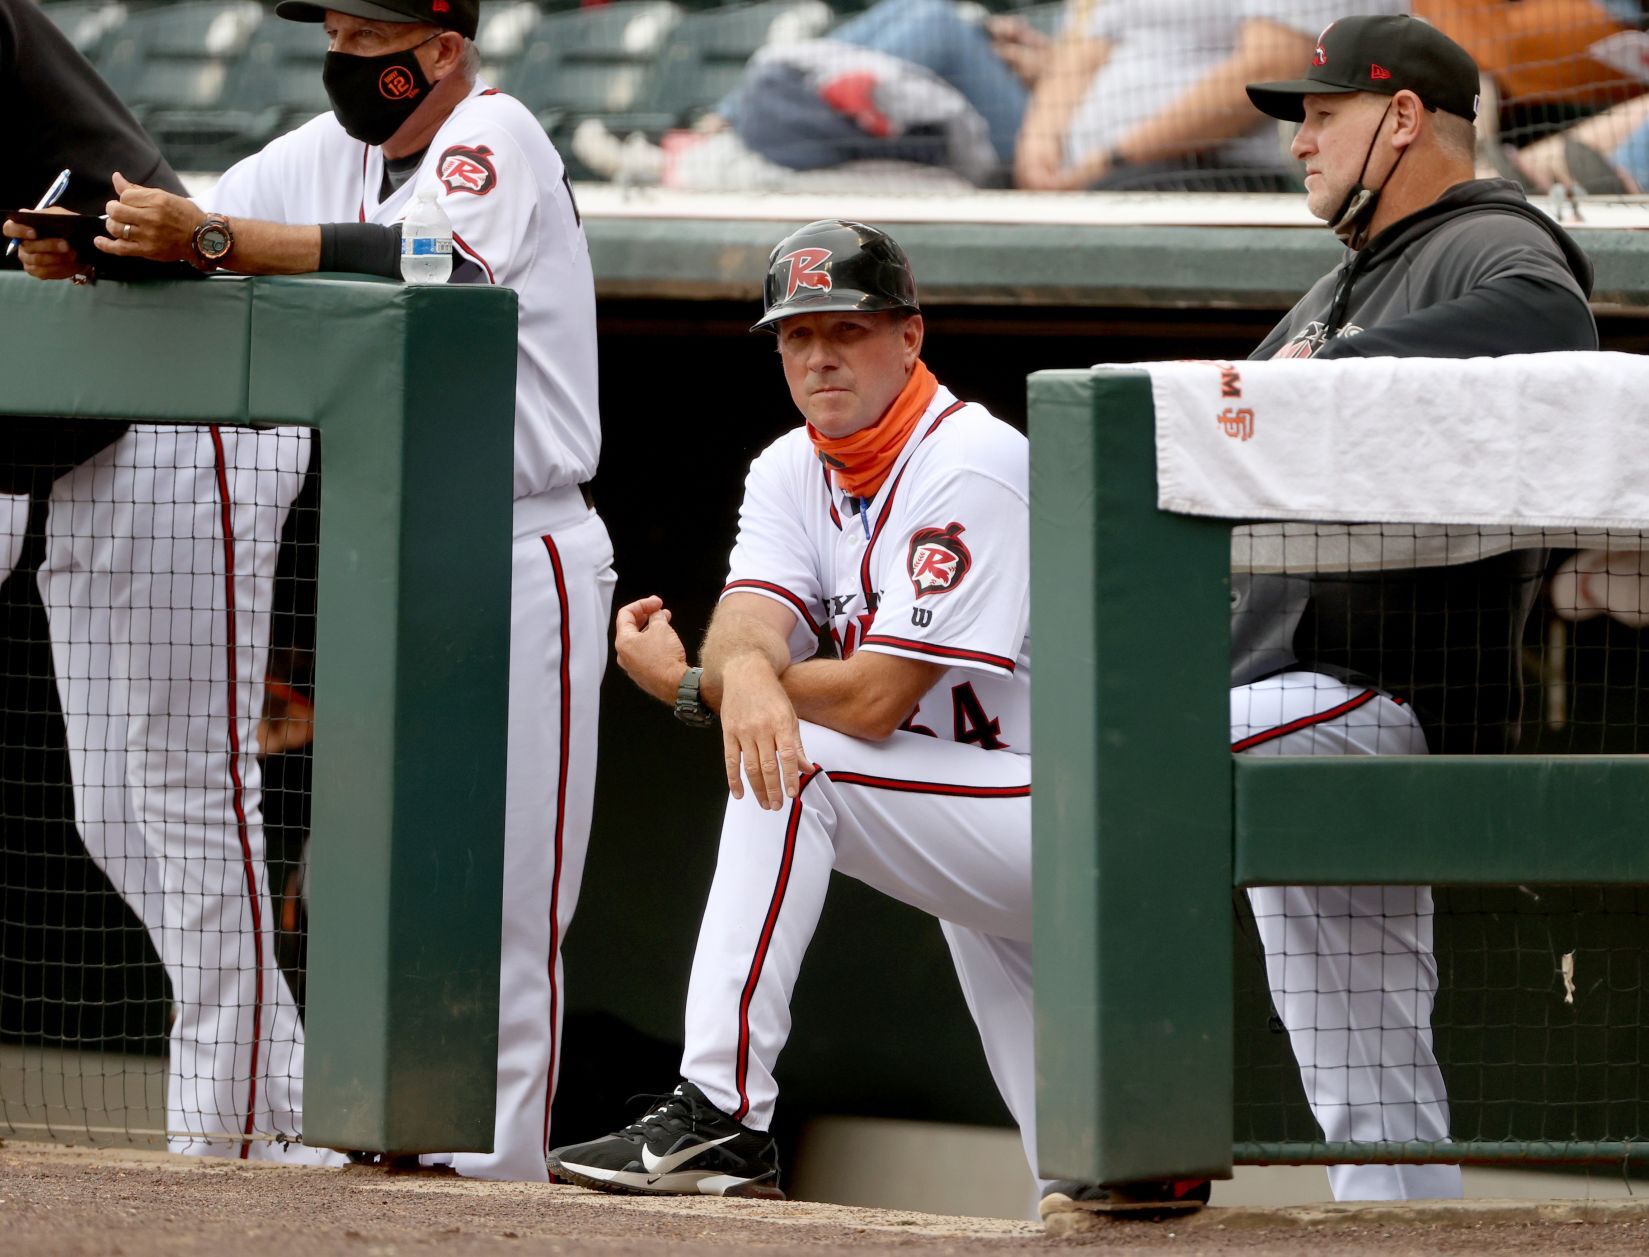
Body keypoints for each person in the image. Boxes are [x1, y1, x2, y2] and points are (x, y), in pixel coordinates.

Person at [7, 0, 615, 1182]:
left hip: (518, 538)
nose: (343, 58)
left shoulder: (496, 130)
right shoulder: (328, 153)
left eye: (368, 38)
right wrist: (97, 244)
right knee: (367, 886)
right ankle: (334, 1130)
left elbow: (439, 263)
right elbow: (180, 225)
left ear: (439, 51)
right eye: (332, 33)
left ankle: (496, 1199)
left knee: (501, 905)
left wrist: (218, 242)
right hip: (398, 554)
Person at [545, 220, 1059, 1206]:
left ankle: (720, 1114)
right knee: (1097, 1176)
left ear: (909, 336)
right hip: (962, 812)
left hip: (1072, 810)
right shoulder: (791, 465)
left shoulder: (972, 461)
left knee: (801, 762)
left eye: (847, 329)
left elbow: (873, 695)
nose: (819, 354)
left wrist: (694, 685)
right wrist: (732, 674)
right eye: (796, 335)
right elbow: (750, 623)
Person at [1235, 12, 1597, 1201]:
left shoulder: (1487, 238)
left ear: (1400, 119)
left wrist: (1325, 383)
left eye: (1321, 114)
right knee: (1367, 1074)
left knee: (1093, 779)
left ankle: (1118, 1153)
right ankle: (1398, 1222)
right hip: (1289, 692)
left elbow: (1551, 323)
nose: (1298, 141)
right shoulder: (1343, 282)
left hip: (1355, 692)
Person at [0, 0, 334, 1163]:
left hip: (195, 405)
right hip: (88, 437)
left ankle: (239, 1135)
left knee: (190, 793)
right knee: (111, 814)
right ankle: (287, 1099)